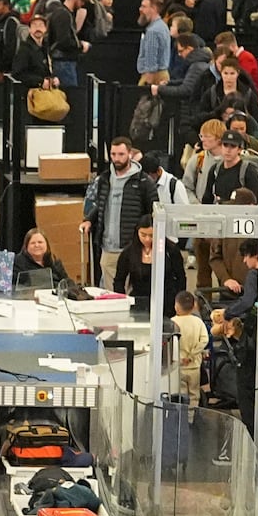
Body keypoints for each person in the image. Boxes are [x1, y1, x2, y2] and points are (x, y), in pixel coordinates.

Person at [81, 137, 155, 291]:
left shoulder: (143, 182)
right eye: (113, 154)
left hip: (131, 245)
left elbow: (153, 211)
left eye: (121, 154)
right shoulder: (104, 179)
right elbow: (100, 204)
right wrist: (89, 220)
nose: (116, 158)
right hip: (107, 245)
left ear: (130, 154)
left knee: (129, 290)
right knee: (109, 290)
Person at [172, 292, 208, 404]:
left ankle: (181, 419)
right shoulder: (198, 322)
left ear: (176, 306)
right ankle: (191, 418)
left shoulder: (172, 322)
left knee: (181, 395)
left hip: (178, 366)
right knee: (194, 395)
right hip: (194, 366)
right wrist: (191, 356)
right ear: (194, 306)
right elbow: (204, 340)